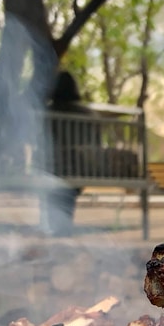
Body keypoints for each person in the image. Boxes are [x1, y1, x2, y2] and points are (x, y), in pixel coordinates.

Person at [43, 70, 99, 237]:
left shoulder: (47, 113)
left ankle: (57, 226)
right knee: (66, 186)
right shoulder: (89, 114)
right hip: (81, 167)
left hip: (53, 167)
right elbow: (95, 144)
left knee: (50, 183)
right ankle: (62, 226)